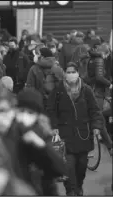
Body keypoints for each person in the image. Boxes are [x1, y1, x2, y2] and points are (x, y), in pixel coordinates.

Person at [47, 62, 104, 196]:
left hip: (83, 134)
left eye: (73, 71)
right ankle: (71, 190)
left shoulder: (86, 89)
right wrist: (54, 126)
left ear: (78, 73)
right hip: (65, 134)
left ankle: (79, 185)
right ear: (65, 74)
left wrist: (96, 127)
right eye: (68, 71)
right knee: (69, 165)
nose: (71, 74)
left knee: (82, 165)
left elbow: (95, 110)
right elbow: (51, 110)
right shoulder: (58, 90)